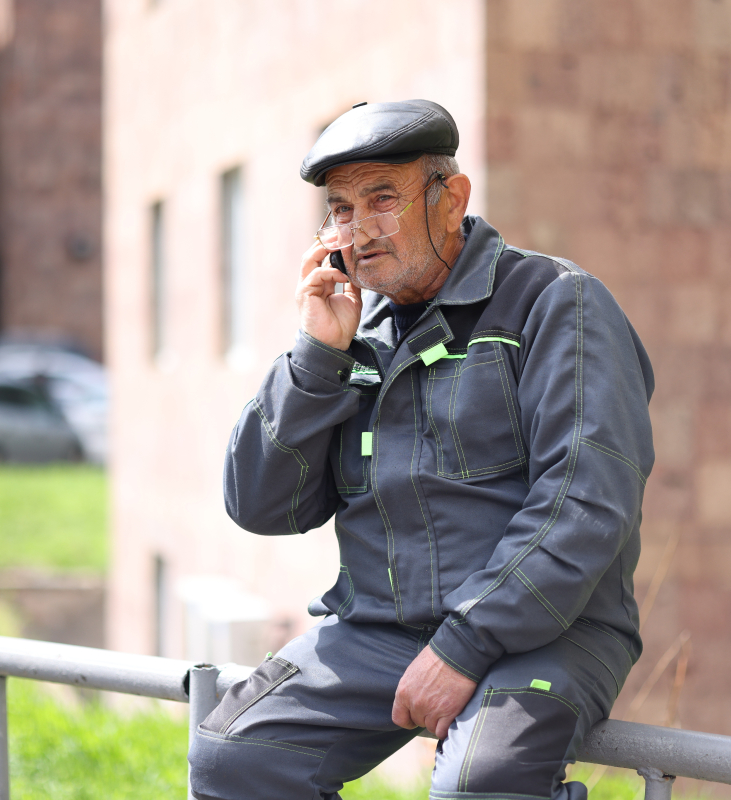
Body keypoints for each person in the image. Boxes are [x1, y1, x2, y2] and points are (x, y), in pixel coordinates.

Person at [189, 99, 655, 800]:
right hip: (381, 629)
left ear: (452, 199)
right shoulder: (352, 331)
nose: (358, 229)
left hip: (552, 627)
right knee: (235, 756)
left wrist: (464, 645)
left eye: (382, 199)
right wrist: (316, 357)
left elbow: (585, 503)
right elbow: (261, 505)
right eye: (341, 209)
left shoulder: (558, 302)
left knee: (480, 783)